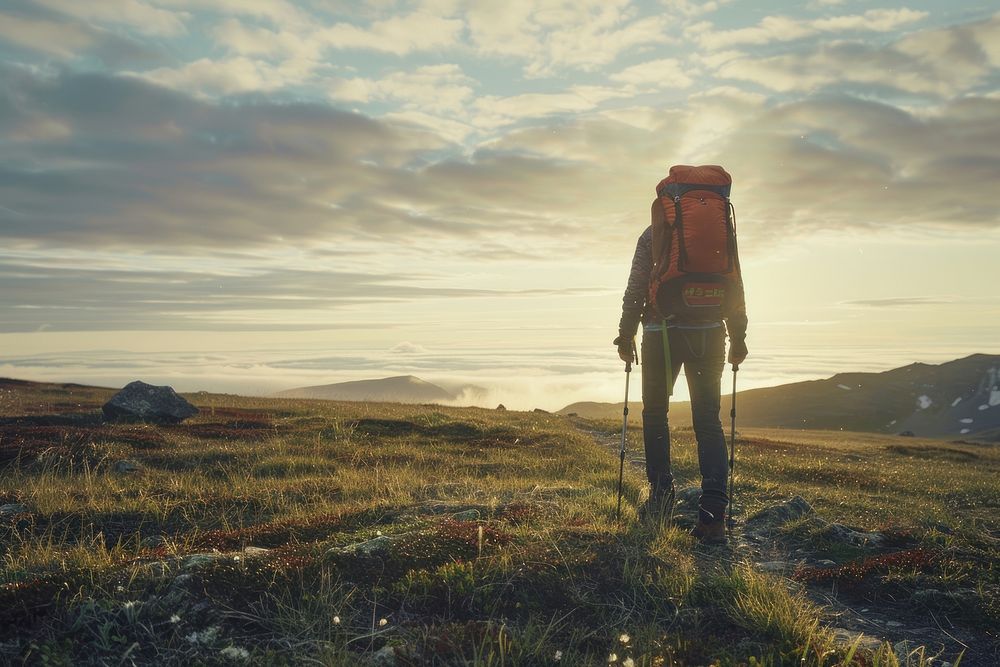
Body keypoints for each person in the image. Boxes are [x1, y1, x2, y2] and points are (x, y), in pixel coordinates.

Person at [613, 220, 747, 543]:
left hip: (662, 334)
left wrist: (626, 332)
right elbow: (736, 286)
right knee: (708, 420)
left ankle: (660, 500)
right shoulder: (719, 231)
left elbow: (635, 288)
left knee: (656, 415)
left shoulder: (653, 234)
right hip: (711, 334)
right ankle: (713, 517)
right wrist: (739, 337)